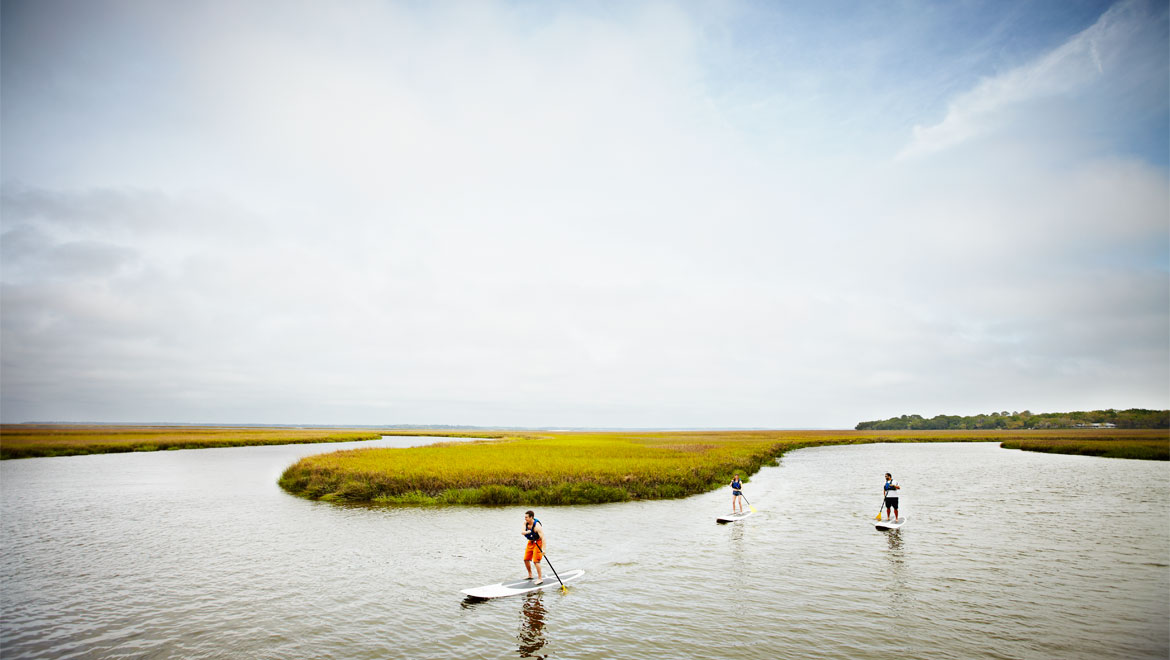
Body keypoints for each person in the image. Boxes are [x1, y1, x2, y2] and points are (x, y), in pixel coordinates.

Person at [522, 510, 545, 583]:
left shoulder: (537, 526)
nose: (525, 518)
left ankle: (540, 578)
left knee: (536, 561)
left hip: (538, 542)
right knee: (526, 559)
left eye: (526, 517)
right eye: (525, 517)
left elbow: (543, 538)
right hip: (531, 542)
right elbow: (522, 532)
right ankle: (530, 575)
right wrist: (527, 532)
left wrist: (544, 549)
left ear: (531, 517)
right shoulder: (525, 523)